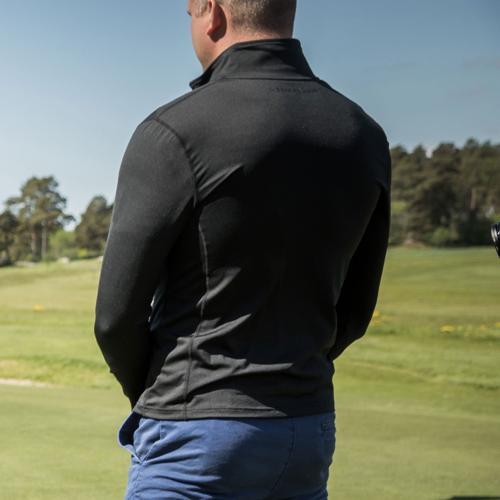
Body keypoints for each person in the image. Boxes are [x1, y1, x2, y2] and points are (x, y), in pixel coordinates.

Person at [93, 0, 392, 498]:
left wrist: (161, 392)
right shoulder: (363, 134)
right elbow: (356, 311)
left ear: (212, 13)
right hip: (306, 428)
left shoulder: (174, 130)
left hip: (194, 436)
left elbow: (114, 318)